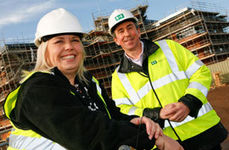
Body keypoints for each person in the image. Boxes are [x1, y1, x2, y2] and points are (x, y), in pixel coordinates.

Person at [4, 8, 183, 150]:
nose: (69, 47)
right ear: (44, 49)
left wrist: (137, 120)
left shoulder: (87, 82)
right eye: (59, 42)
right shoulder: (38, 89)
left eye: (75, 40)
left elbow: (111, 116)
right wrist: (156, 139)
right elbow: (88, 133)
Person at [109, 9, 228, 150]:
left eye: (130, 28)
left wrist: (188, 104)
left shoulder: (169, 48)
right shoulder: (119, 77)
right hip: (164, 142)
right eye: (121, 31)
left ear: (138, 31)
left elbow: (200, 72)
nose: (127, 34)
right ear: (116, 40)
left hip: (203, 134)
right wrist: (156, 114)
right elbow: (123, 111)